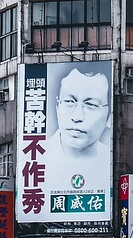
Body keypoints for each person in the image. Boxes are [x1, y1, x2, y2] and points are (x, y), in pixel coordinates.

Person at [44, 67, 112, 198]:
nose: (77, 116)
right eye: (69, 102)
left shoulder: (109, 164)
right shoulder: (36, 159)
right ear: (57, 107)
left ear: (110, 117)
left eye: (91, 105)